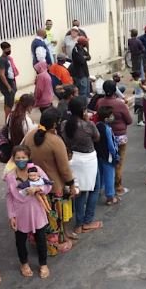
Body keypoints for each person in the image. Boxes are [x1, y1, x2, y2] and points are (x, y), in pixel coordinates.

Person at [21, 108, 77, 253]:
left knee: (39, 217)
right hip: (53, 186)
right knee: (54, 217)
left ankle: (36, 241)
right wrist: (71, 184)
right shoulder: (55, 141)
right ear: (55, 124)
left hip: (34, 185)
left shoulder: (30, 135)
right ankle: (54, 245)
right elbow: (64, 168)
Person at [4, 145, 52, 278]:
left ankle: (43, 264)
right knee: (20, 240)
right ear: (13, 159)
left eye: (23, 157)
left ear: (28, 158)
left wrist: (38, 189)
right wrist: (11, 215)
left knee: (41, 239)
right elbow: (9, 196)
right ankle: (24, 263)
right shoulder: (10, 176)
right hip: (20, 213)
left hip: (37, 211)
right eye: (18, 158)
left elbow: (48, 185)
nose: (21, 160)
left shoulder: (37, 170)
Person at [62, 97, 105, 232]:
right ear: (82, 110)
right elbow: (97, 138)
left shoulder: (65, 125)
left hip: (74, 159)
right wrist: (88, 120)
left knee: (79, 191)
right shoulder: (88, 125)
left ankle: (79, 224)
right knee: (94, 189)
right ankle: (87, 221)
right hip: (89, 160)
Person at [95, 80, 132, 196]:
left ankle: (104, 185)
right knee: (118, 162)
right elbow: (129, 120)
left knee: (105, 162)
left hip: (103, 137)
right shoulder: (120, 103)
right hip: (119, 136)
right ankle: (118, 187)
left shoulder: (100, 102)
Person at [94, 106, 121, 205]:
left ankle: (98, 192)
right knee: (110, 175)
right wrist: (116, 156)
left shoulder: (97, 125)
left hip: (99, 155)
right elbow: (111, 145)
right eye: (111, 115)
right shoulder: (107, 129)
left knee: (100, 175)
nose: (113, 116)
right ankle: (110, 197)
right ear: (106, 118)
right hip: (108, 156)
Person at [0, 42, 17, 120]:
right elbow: (2, 74)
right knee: (9, 103)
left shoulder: (7, 58)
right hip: (7, 85)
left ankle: (8, 120)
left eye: (9, 48)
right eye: (7, 49)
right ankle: (8, 121)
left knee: (9, 103)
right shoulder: (2, 60)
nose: (9, 50)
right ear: (3, 49)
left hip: (11, 82)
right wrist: (8, 86)